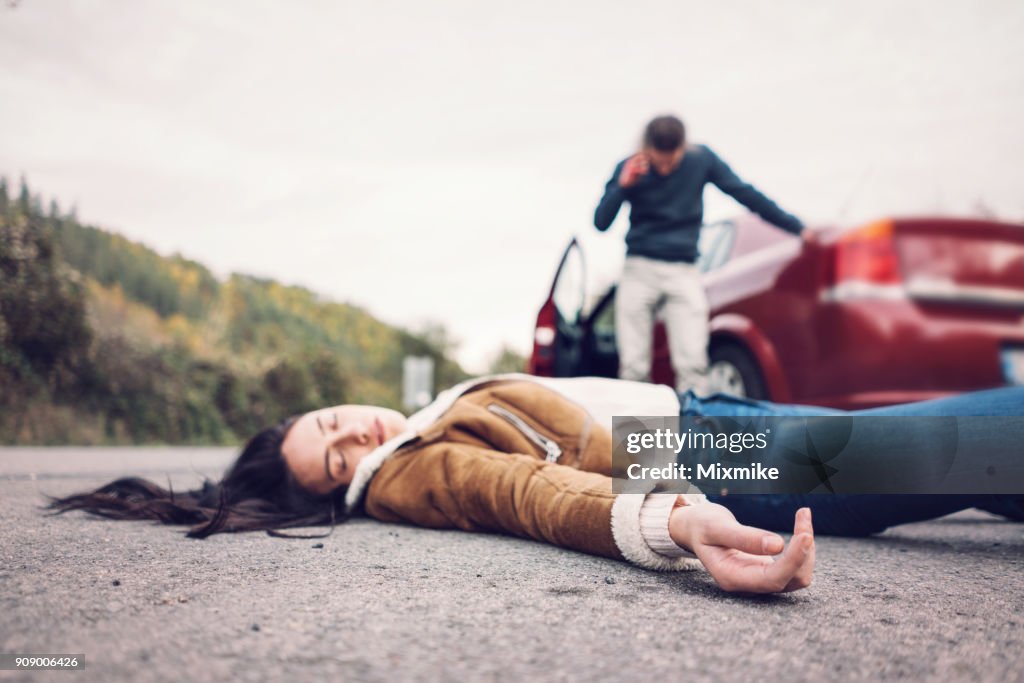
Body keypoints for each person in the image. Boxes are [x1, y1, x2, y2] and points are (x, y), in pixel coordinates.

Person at [49, 375, 1024, 595]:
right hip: (703, 459)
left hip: (707, 422)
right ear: (338, 491)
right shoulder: (409, 472)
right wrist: (676, 516)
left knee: (985, 444)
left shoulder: (420, 417)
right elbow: (520, 492)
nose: (356, 437)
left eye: (335, 424)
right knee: (993, 439)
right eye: (336, 459)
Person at [594, 115, 806, 393]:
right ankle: (640, 437)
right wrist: (622, 186)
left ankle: (694, 435)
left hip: (683, 270)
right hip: (639, 269)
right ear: (647, 148)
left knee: (692, 363)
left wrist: (797, 228)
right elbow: (600, 222)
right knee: (633, 366)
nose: (667, 168)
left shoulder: (701, 159)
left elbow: (745, 193)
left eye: (673, 161)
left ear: (684, 147)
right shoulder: (630, 167)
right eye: (660, 162)